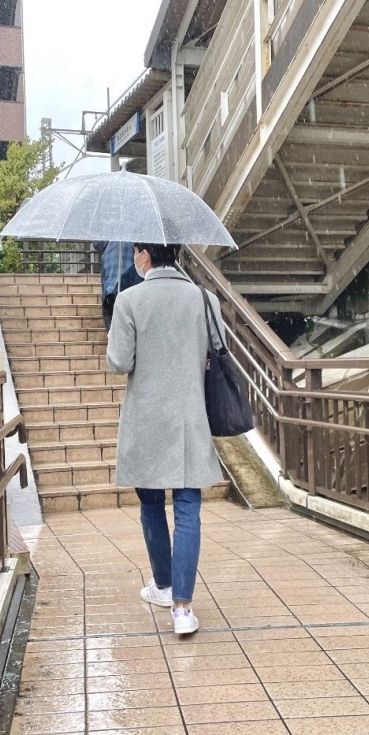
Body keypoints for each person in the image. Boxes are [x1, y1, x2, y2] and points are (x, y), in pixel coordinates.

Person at [106, 242, 225, 635]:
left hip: (146, 419)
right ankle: (183, 609)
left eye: (135, 253)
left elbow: (119, 362)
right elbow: (218, 348)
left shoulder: (129, 300)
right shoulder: (204, 299)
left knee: (152, 503)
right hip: (190, 417)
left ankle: (163, 585)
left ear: (144, 255)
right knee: (188, 508)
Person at [93, 241, 142, 329]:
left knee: (111, 319)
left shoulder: (109, 238)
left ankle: (112, 332)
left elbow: (97, 243)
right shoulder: (134, 239)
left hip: (111, 285)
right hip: (130, 285)